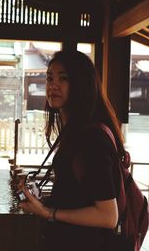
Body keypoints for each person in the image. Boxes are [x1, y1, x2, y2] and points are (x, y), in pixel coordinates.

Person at [18, 50, 125, 250]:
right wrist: (41, 201)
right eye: (50, 78)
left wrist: (49, 213)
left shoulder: (92, 138)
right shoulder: (75, 131)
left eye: (63, 78)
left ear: (82, 84)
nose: (53, 85)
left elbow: (108, 216)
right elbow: (79, 195)